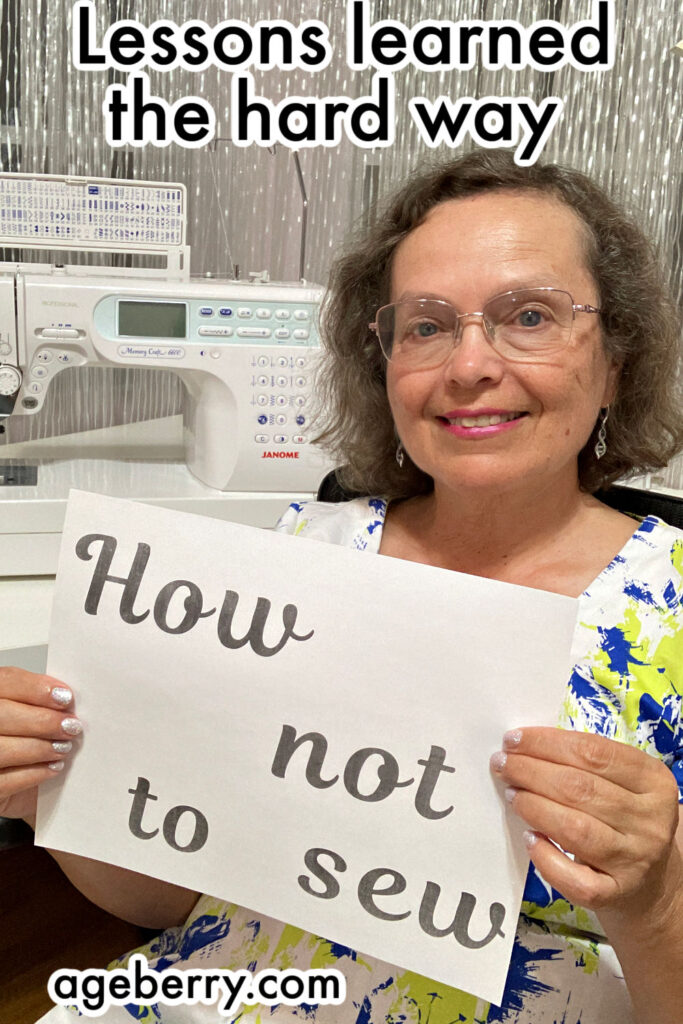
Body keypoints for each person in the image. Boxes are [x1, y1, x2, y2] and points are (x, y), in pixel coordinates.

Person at [2, 149, 683, 1023]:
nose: (469, 365)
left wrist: (654, 899)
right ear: (384, 362)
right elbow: (182, 901)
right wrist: (47, 797)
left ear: (617, 355)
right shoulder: (291, 565)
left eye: (528, 316)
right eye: (426, 326)